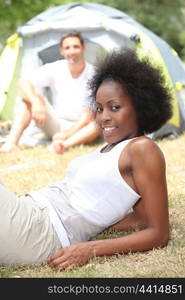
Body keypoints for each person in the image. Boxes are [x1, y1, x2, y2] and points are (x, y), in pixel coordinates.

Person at [0, 48, 172, 269]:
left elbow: (158, 232)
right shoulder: (109, 148)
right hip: (30, 209)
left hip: (40, 231)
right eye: (99, 109)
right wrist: (97, 227)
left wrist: (90, 248)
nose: (104, 117)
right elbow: (141, 218)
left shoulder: (142, 149)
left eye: (115, 107)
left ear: (140, 105)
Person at [0, 32, 100, 153]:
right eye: (67, 48)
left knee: (100, 121)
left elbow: (88, 115)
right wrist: (36, 102)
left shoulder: (94, 74)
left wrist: (68, 133)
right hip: (56, 124)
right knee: (30, 96)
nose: (72, 51)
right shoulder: (56, 68)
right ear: (62, 51)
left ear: (84, 48)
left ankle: (63, 145)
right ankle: (11, 143)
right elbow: (22, 84)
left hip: (81, 128)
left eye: (76, 47)